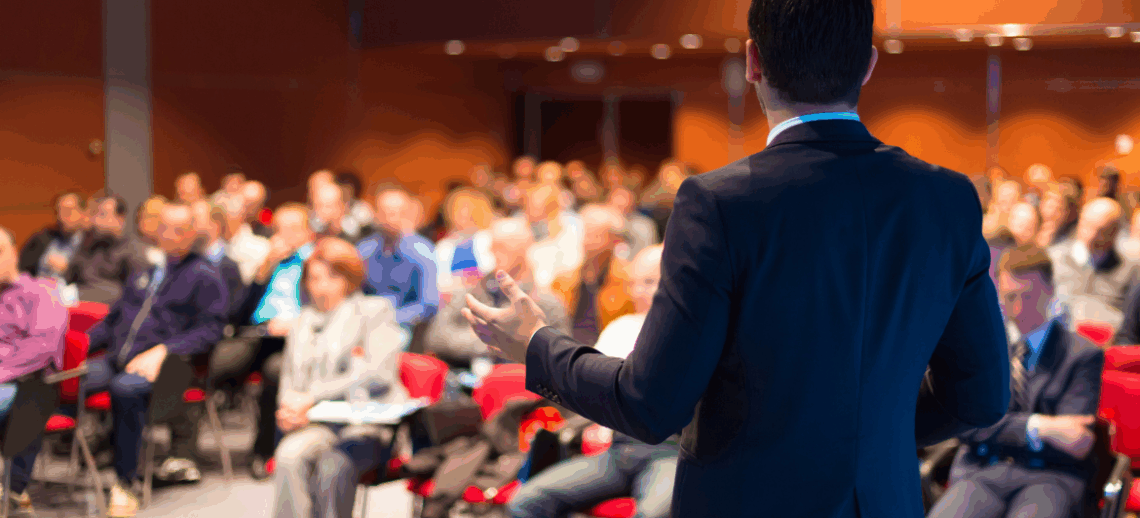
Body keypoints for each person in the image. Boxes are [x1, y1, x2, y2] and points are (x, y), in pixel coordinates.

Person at [462, 1, 1010, 515]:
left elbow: (650, 404)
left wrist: (538, 345)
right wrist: (867, 430)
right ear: (868, 65)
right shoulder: (947, 198)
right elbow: (981, 398)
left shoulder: (720, 203)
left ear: (752, 61)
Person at [928, 245, 1103, 518]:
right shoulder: (984, 348)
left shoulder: (1083, 354)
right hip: (984, 470)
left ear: (1050, 290)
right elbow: (966, 426)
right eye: (1010, 298)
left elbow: (1077, 442)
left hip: (1049, 477)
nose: (1019, 309)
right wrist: (1040, 426)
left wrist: (997, 426)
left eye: (1028, 296)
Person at [507, 245, 675, 518]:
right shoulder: (620, 327)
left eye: (649, 282)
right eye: (633, 283)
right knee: (525, 502)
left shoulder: (688, 336)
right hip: (619, 450)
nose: (637, 292)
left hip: (668, 451)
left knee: (651, 515)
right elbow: (585, 385)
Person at [84, 202, 228, 517]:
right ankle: (24, 479)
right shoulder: (145, 270)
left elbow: (211, 330)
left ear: (192, 234)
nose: (169, 234)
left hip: (169, 370)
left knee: (126, 389)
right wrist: (78, 346)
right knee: (65, 381)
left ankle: (126, 482)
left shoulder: (205, 275)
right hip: (117, 358)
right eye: (164, 227)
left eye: (179, 229)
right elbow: (113, 321)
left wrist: (165, 350)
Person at [270, 237, 408, 518]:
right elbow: (288, 378)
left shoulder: (374, 311)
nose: (322, 286)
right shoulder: (301, 321)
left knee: (329, 467)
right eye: (314, 278)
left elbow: (377, 375)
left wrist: (312, 396)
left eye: (332, 277)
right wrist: (288, 408)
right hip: (317, 423)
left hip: (366, 424)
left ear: (349, 278)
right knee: (288, 454)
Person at [216, 203, 316, 480]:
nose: (286, 236)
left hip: (295, 340)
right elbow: (238, 313)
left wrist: (293, 325)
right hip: (256, 335)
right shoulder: (268, 262)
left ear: (309, 233)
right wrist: (263, 269)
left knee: (274, 371)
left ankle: (265, 451)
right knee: (218, 364)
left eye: (293, 229)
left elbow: (321, 311)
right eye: (280, 230)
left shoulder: (316, 263)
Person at [157, 201, 247, 483]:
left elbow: (226, 315)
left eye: (197, 222)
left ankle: (181, 452)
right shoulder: (161, 267)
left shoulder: (217, 268)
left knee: (176, 368)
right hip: (167, 342)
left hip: (207, 344)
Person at [424, 218, 569, 369]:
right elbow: (436, 336)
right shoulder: (472, 289)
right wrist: (493, 342)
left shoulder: (545, 300)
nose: (496, 251)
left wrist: (478, 336)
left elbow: (557, 355)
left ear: (525, 247)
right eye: (494, 245)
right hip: (464, 378)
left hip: (518, 384)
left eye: (505, 245)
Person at [0, 226, 69, 515]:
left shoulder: (41, 292)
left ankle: (11, 490)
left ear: (14, 253)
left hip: (27, 384)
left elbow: (41, 348)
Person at [1048, 197, 1140, 331]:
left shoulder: (1130, 270)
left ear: (1115, 232)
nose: (1092, 235)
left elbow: (1130, 322)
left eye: (1101, 231)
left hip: (1106, 341)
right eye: (1088, 226)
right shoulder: (1054, 258)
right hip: (1060, 338)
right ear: (1080, 222)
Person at [357, 187, 439, 329]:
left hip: (403, 326)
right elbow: (353, 293)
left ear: (407, 215)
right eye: (385, 212)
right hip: (365, 321)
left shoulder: (422, 251)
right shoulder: (364, 250)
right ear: (375, 214)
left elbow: (429, 304)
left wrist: (390, 319)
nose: (390, 218)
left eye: (397, 213)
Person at [64, 196, 148, 304]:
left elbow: (129, 294)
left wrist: (75, 294)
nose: (95, 220)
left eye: (102, 215)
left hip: (109, 311)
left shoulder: (133, 250)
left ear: (120, 219)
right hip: (77, 306)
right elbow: (69, 277)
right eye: (95, 215)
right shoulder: (89, 245)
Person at [434, 188, 496, 297]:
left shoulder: (490, 238)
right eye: (457, 210)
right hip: (454, 301)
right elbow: (440, 282)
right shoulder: (444, 246)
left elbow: (492, 269)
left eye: (468, 210)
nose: (462, 214)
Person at [18, 192, 87, 281]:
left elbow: (93, 277)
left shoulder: (90, 243)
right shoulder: (42, 238)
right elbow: (22, 268)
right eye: (58, 211)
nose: (61, 217)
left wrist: (68, 269)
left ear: (82, 213)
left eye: (68, 211)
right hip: (37, 289)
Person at [218, 192, 270, 285]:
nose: (223, 220)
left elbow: (246, 281)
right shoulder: (210, 245)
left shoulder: (261, 246)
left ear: (241, 216)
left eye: (229, 214)